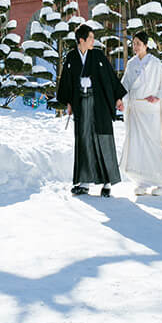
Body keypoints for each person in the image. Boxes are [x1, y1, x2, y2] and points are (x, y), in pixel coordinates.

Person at [56, 23, 125, 197]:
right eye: (91, 38)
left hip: (99, 102)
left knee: (102, 139)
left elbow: (110, 78)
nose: (94, 41)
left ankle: (107, 182)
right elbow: (67, 81)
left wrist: (117, 97)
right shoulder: (72, 57)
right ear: (82, 40)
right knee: (84, 140)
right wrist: (69, 102)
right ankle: (85, 182)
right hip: (80, 102)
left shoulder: (98, 56)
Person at [120, 30, 162, 196]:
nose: (135, 47)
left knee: (156, 145)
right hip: (136, 110)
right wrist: (121, 100)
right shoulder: (131, 64)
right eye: (133, 43)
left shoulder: (155, 63)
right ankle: (141, 181)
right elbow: (125, 84)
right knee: (138, 145)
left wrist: (158, 96)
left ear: (145, 45)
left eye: (138, 43)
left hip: (152, 111)